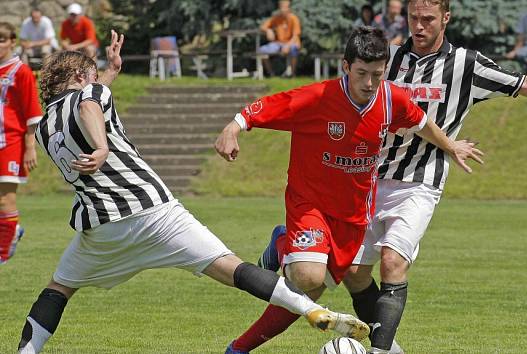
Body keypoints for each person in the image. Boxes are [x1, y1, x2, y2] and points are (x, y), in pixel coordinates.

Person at [16, 30, 369, 353]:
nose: (98, 81)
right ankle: (313, 310)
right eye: (93, 75)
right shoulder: (89, 96)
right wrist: (102, 146)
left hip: (102, 230)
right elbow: (89, 103)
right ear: (80, 78)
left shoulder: (46, 126)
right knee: (231, 268)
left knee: (58, 288)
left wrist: (110, 71)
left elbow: (90, 97)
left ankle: (26, 350)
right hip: (154, 212)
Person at [339, 1, 527, 353]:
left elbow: (524, 83)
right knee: (352, 271)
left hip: (421, 182)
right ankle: (389, 346)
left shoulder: (466, 64)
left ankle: (378, 350)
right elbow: (348, 87)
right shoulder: (388, 59)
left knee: (393, 261)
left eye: (428, 20)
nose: (419, 27)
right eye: (413, 19)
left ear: (446, 19)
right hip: (371, 179)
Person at [217, 26, 483, 354]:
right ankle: (285, 244)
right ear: (346, 66)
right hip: (309, 202)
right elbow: (261, 109)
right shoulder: (318, 98)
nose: (369, 83)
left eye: (377, 74)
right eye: (361, 73)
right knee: (309, 277)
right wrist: (233, 128)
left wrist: (451, 145)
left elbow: (421, 123)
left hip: (353, 212)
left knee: (311, 292)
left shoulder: (390, 99)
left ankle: (239, 348)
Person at [0, 22, 42, 265]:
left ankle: (5, 250)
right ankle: (9, 233)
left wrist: (29, 146)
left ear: (12, 42)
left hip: (11, 141)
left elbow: (32, 112)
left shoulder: (20, 71)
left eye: (2, 40)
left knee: (6, 198)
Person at [258, 0, 301, 77]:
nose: (283, 9)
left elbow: (295, 36)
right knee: (262, 50)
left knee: (294, 49)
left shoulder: (294, 18)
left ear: (289, 8)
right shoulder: (276, 18)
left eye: (285, 7)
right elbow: (262, 27)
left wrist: (287, 45)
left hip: (291, 43)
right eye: (281, 7)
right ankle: (270, 73)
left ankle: (292, 73)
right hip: (278, 43)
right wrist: (268, 30)